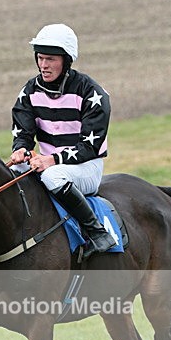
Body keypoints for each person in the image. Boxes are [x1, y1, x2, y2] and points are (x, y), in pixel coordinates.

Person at [9, 23, 117, 259]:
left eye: (50, 59)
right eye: (40, 58)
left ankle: (98, 233)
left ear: (66, 60)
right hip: (47, 162)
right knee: (13, 169)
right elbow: (23, 132)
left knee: (51, 175)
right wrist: (21, 150)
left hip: (85, 168)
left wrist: (53, 159)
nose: (43, 65)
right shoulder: (29, 90)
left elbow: (90, 147)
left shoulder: (92, 93)